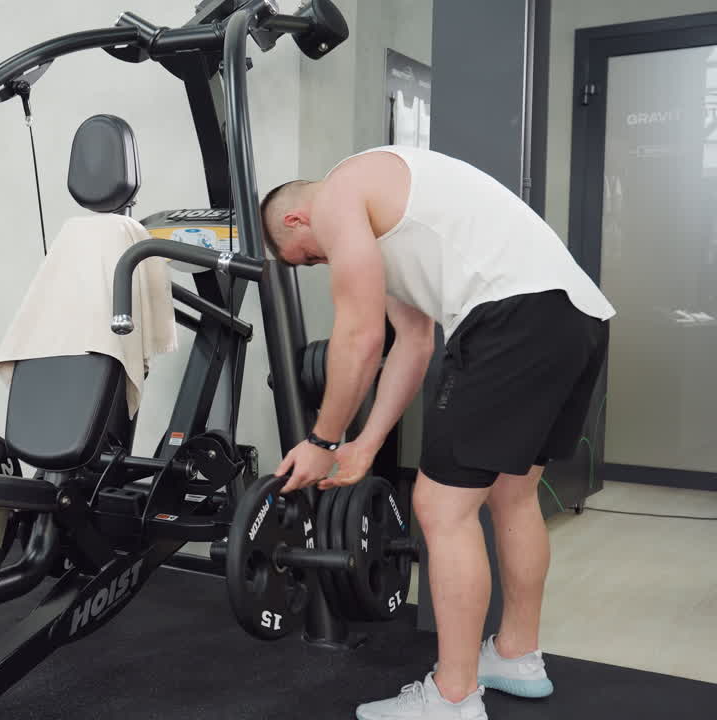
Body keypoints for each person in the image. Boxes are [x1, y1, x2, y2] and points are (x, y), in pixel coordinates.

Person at [261, 145, 614, 720]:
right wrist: (364, 446)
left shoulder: (337, 193)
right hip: (574, 317)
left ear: (297, 221)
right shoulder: (391, 222)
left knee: (440, 509)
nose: (320, 264)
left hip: (511, 316)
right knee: (512, 492)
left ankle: (452, 697)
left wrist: (321, 442)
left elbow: (358, 338)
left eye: (307, 259)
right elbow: (412, 345)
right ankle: (516, 655)